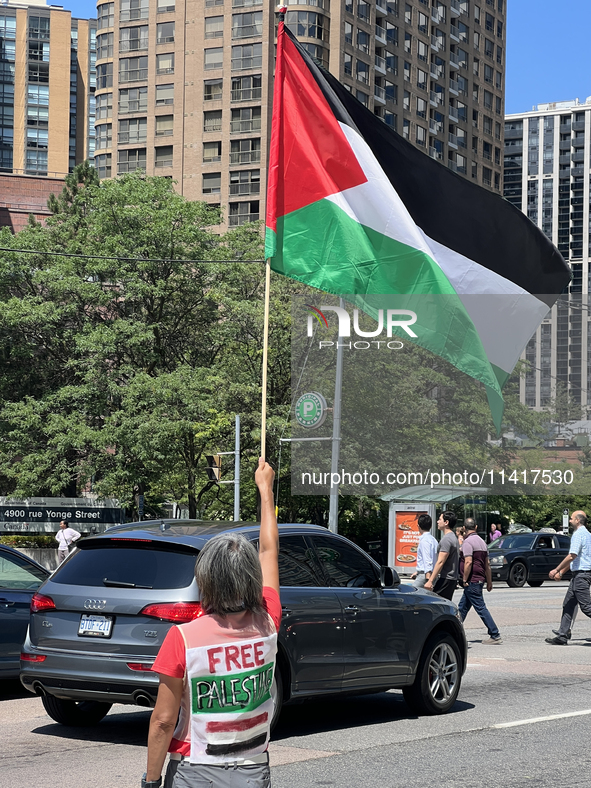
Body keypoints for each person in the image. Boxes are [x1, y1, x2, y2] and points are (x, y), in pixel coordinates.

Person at [143, 458, 280, 788]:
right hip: (253, 767)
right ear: (250, 578)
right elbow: (270, 551)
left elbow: (163, 721)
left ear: (205, 580)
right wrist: (266, 491)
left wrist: (151, 780)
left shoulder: (183, 639)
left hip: (195, 769)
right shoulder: (268, 622)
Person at [545, 510, 591, 646]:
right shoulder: (588, 535)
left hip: (581, 575)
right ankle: (562, 635)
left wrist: (557, 569)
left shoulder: (578, 535)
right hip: (581, 574)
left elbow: (572, 556)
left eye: (571, 518)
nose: (570, 520)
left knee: (587, 607)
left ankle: (563, 634)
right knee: (568, 604)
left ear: (577, 520)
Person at [458, 519, 502, 645]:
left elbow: (468, 562)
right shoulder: (482, 542)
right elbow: (487, 564)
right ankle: (454, 632)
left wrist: (464, 579)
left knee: (480, 608)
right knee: (462, 608)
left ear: (464, 528)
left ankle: (495, 634)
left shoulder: (467, 542)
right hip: (479, 579)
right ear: (476, 527)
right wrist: (489, 581)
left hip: (472, 580)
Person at [424, 511, 459, 600]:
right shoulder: (453, 537)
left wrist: (430, 581)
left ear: (446, 522)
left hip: (446, 578)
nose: (437, 522)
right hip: (451, 578)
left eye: (440, 519)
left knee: (436, 604)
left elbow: (440, 561)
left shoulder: (446, 540)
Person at [410, 514, 438, 588]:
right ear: (431, 526)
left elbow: (427, 559)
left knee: (412, 595)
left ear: (418, 526)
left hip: (425, 575)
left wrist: (428, 580)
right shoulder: (433, 540)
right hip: (429, 573)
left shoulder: (424, 541)